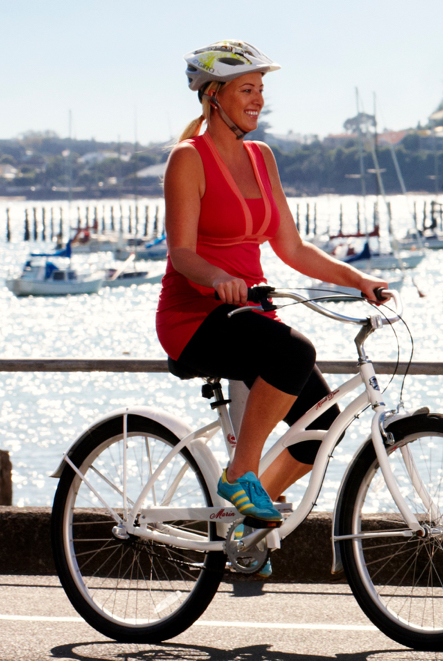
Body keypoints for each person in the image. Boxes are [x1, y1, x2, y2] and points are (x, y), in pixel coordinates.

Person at [157, 40, 390, 574]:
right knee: (294, 350)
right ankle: (241, 476)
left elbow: (292, 248)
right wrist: (219, 279)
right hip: (194, 318)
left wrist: (359, 281)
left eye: (261, 89)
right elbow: (182, 254)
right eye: (247, 89)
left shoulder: (262, 159)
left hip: (249, 314)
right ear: (213, 96)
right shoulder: (188, 160)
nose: (258, 99)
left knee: (320, 428)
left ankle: (247, 520)